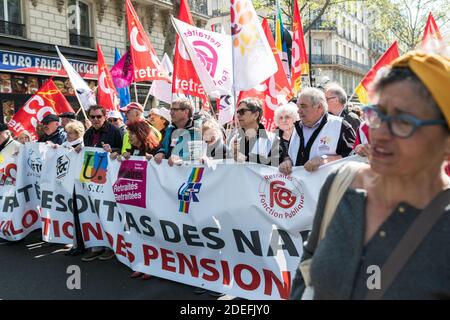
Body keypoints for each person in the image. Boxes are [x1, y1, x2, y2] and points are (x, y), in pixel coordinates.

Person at [290, 51, 450, 300]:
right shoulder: (342, 184)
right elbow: (307, 268)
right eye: (378, 115)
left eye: (404, 121)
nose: (381, 134)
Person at [279, 87, 355, 174]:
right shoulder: (297, 127)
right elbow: (289, 154)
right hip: (299, 186)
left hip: (328, 186)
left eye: (303, 106)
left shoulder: (340, 126)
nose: (299, 111)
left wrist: (325, 160)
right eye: (298, 106)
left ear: (319, 107)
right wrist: (287, 162)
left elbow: (354, 157)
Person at [81, 105, 123, 262]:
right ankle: (96, 245)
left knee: (108, 210)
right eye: (92, 117)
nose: (96, 120)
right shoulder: (88, 133)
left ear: (105, 116)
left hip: (108, 176)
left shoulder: (115, 131)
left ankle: (110, 246)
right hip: (91, 173)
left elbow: (123, 150)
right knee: (94, 210)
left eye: (99, 116)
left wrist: (113, 150)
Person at [228, 98, 281, 167]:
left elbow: (276, 166)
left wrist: (246, 158)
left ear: (256, 115)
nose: (238, 115)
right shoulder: (233, 139)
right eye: (237, 112)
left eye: (242, 111)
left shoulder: (273, 139)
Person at [154, 98, 198, 166]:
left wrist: (180, 158)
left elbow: (197, 156)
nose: (171, 113)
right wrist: (160, 152)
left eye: (175, 110)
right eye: (171, 109)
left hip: (187, 174)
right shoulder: (169, 129)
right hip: (169, 173)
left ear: (186, 112)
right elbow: (163, 147)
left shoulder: (197, 131)